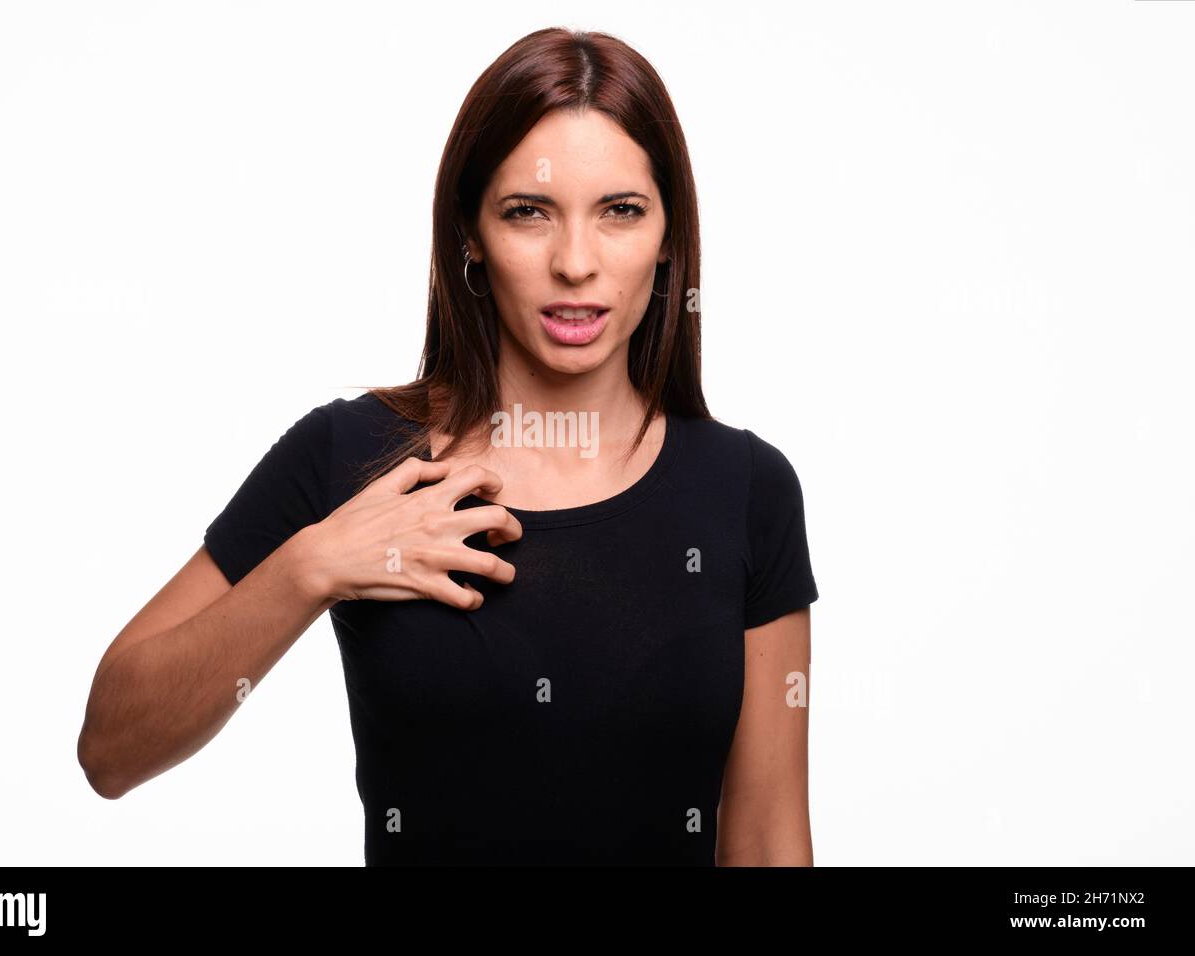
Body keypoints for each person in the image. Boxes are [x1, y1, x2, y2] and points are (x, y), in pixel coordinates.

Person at [78, 26, 819, 867]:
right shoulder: (351, 452)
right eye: (528, 212)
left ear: (667, 237)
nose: (575, 263)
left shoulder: (747, 489)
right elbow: (110, 749)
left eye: (620, 212)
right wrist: (314, 564)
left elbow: (766, 843)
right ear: (469, 233)